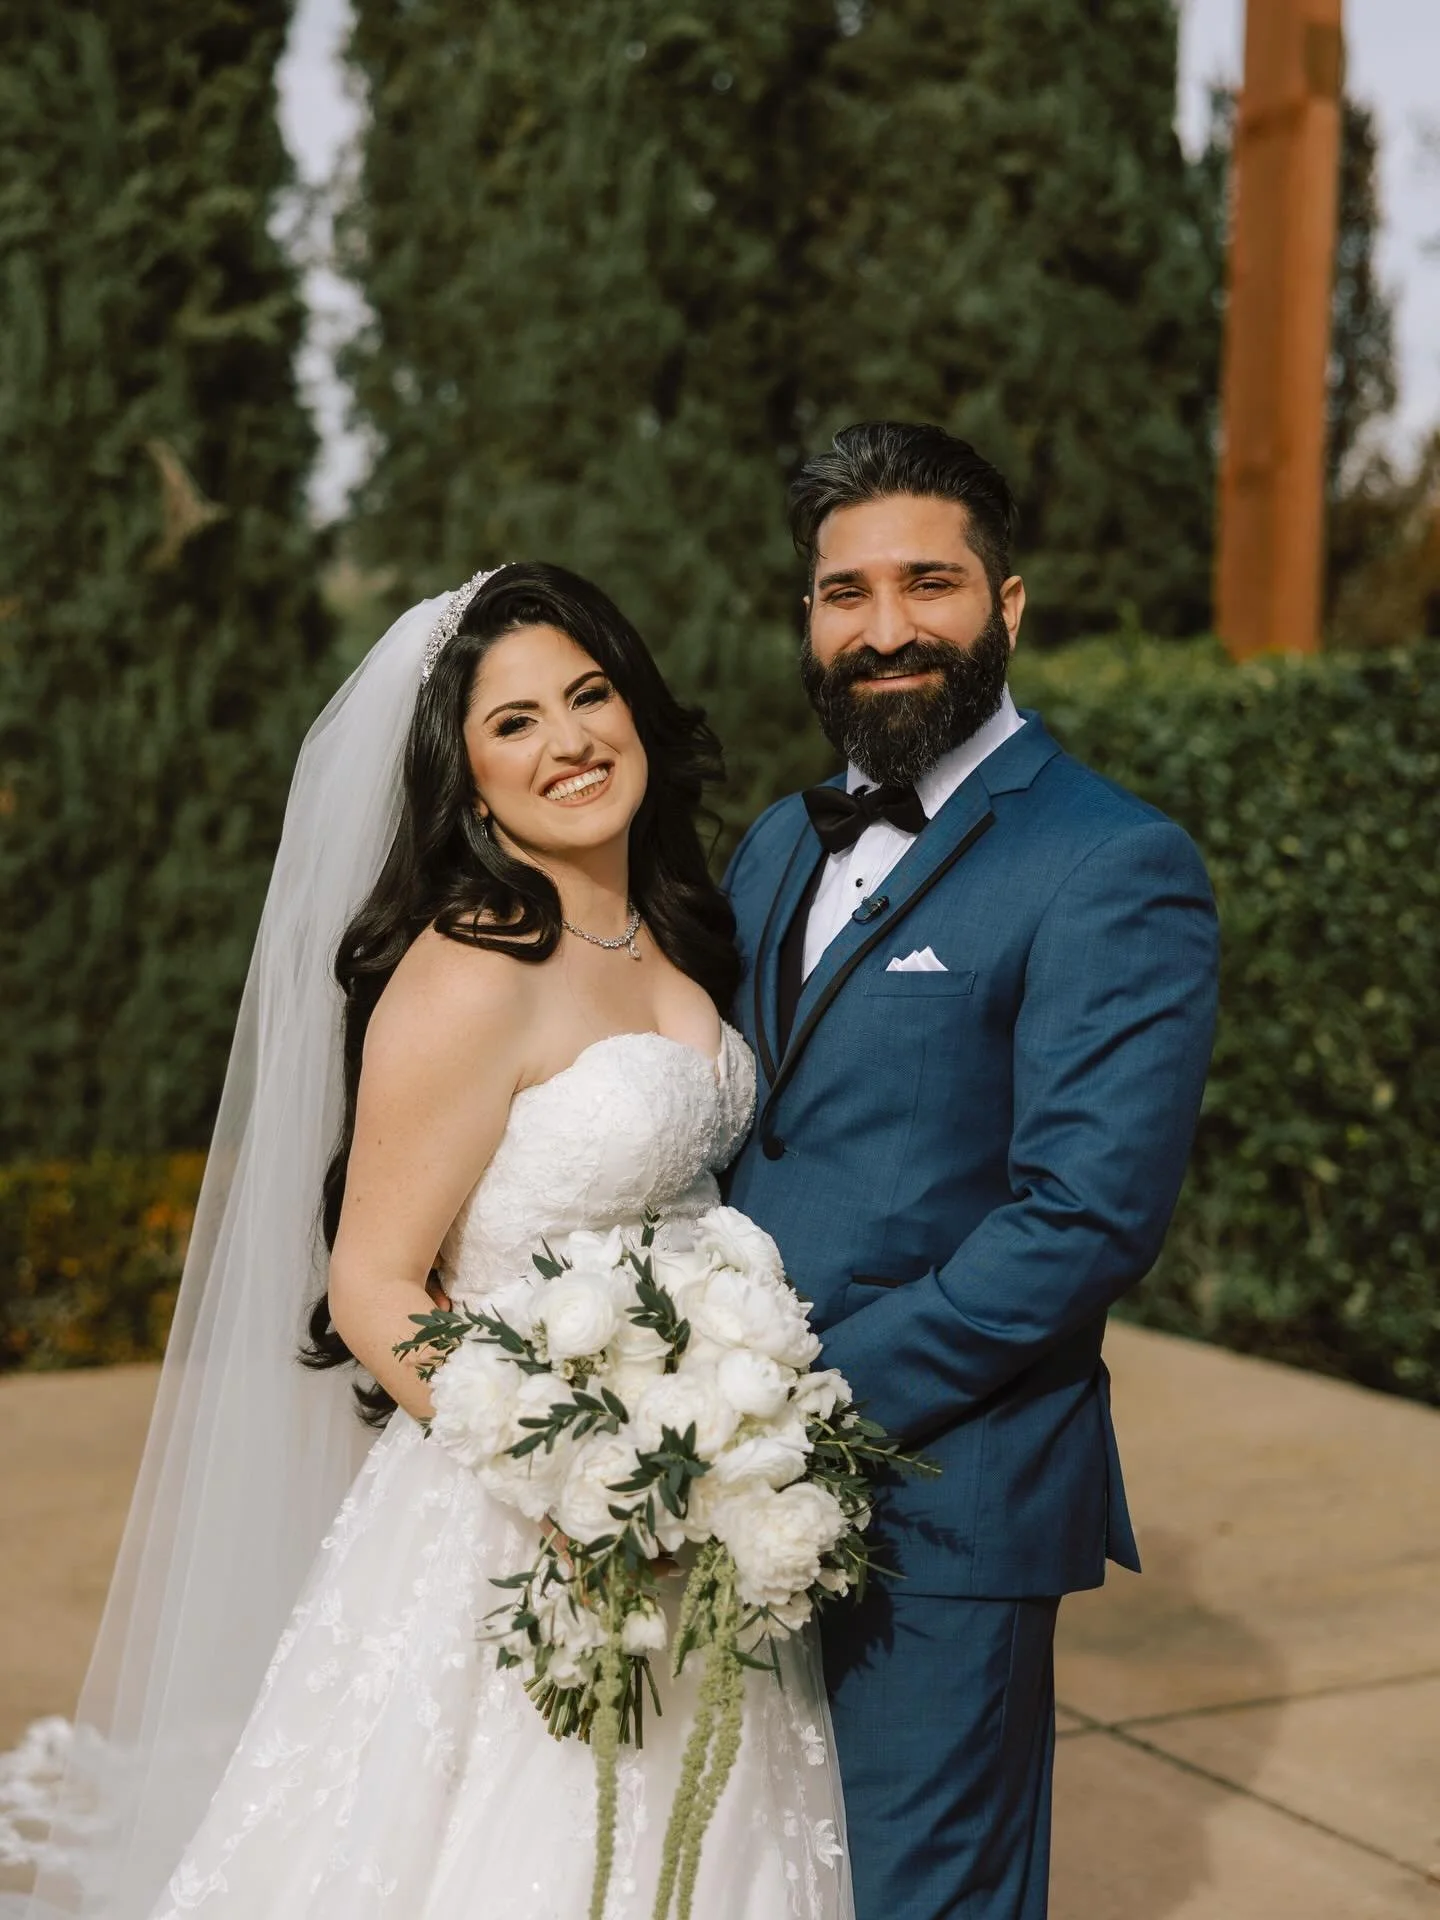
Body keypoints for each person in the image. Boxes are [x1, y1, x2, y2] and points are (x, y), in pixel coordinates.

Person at [25, 565, 850, 1920]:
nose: (569, 740)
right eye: (515, 722)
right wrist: (579, 1481)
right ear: (468, 783)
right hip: (527, 1525)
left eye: (590, 695)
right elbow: (372, 1283)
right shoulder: (472, 968)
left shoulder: (675, 926)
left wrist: (717, 1434)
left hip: (704, 1497)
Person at [723, 422, 1220, 1920]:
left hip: (942, 1504)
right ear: (809, 617)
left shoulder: (1112, 861)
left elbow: (1083, 1220)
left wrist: (804, 1410)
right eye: (846, 592)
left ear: (1006, 605)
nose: (884, 628)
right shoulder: (773, 843)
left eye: (926, 584)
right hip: (725, 1496)